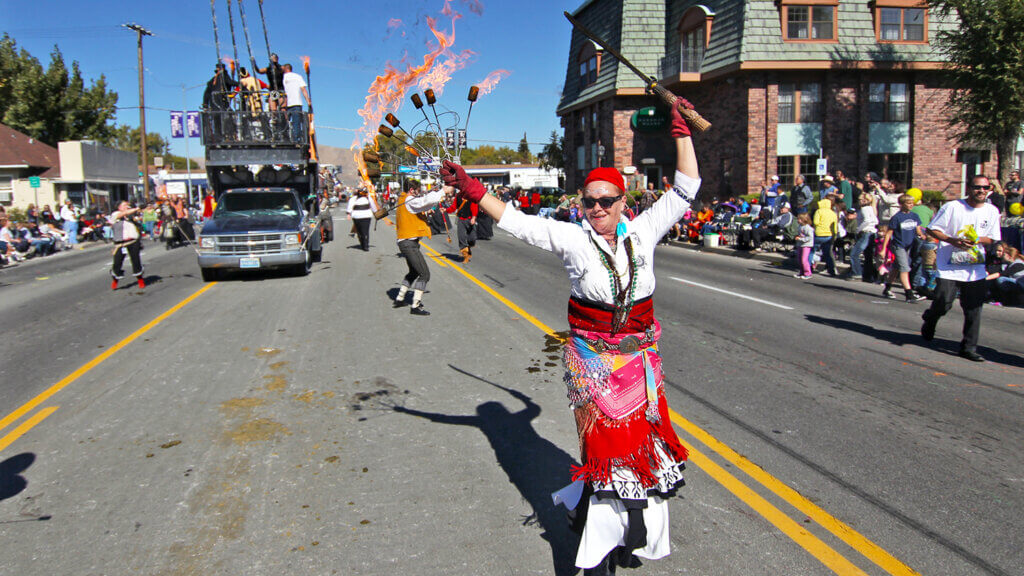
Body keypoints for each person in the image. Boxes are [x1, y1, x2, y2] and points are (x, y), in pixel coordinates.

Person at [438, 97, 699, 576]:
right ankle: (596, 554)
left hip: (640, 363)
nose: (597, 208)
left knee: (641, 452)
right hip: (594, 365)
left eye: (606, 201)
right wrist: (475, 189)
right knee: (604, 455)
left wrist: (681, 131)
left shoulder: (644, 231)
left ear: (624, 203)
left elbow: (685, 190)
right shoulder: (572, 237)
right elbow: (517, 223)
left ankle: (626, 532)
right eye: (589, 201)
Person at [920, 175, 1002, 362]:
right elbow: (932, 229)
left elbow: (992, 238)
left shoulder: (992, 211)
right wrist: (952, 240)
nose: (981, 191)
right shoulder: (953, 207)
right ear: (969, 188)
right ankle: (930, 319)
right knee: (943, 302)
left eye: (985, 188)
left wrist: (976, 240)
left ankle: (969, 347)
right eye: (977, 187)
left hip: (975, 268)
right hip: (949, 266)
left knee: (974, 308)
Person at [393, 179, 449, 316]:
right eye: (417, 191)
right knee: (425, 274)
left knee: (413, 272)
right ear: (412, 190)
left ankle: (400, 298)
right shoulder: (409, 199)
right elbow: (423, 202)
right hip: (409, 243)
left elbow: (421, 206)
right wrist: (443, 191)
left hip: (405, 242)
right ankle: (415, 305)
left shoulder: (403, 199)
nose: (418, 193)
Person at [880, 194, 927, 302]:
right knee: (905, 268)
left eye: (912, 203)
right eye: (908, 203)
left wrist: (922, 235)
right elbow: (888, 233)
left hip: (908, 246)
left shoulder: (914, 216)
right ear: (901, 204)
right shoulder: (897, 217)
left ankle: (887, 288)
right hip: (898, 245)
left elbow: (918, 229)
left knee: (896, 267)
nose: (911, 205)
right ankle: (909, 294)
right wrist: (883, 249)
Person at [109, 201, 145, 290]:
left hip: (133, 241)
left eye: (127, 205)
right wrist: (135, 209)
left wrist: (140, 210)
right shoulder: (115, 214)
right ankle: (115, 280)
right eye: (124, 205)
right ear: (119, 207)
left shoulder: (130, 216)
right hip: (120, 243)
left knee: (136, 261)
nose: (126, 207)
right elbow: (124, 213)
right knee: (117, 262)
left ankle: (140, 279)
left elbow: (138, 217)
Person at [281, 63, 311, 143]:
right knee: (296, 123)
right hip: (296, 103)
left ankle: (287, 139)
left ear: (286, 69)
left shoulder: (284, 77)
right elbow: (303, 90)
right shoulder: (298, 77)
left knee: (285, 123)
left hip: (288, 104)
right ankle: (295, 140)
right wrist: (308, 101)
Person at [811, 192, 838, 276]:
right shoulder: (833, 212)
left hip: (819, 233)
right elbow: (835, 225)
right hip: (829, 235)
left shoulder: (819, 211)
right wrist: (835, 235)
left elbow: (815, 222)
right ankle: (832, 269)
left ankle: (808, 267)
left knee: (811, 251)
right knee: (828, 253)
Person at [455, 194, 478, 263]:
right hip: (461, 220)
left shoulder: (471, 196)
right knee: (461, 238)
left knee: (472, 238)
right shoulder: (458, 196)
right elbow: (454, 207)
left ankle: (468, 248)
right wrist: (446, 210)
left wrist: (473, 218)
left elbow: (475, 207)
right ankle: (465, 256)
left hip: (470, 219)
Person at [794, 213, 814, 279]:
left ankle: (808, 273)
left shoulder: (808, 228)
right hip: (800, 244)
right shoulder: (800, 226)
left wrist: (801, 239)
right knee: (799, 259)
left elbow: (810, 237)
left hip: (806, 245)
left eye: (799, 219)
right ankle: (801, 272)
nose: (798, 220)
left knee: (804, 260)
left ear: (804, 219)